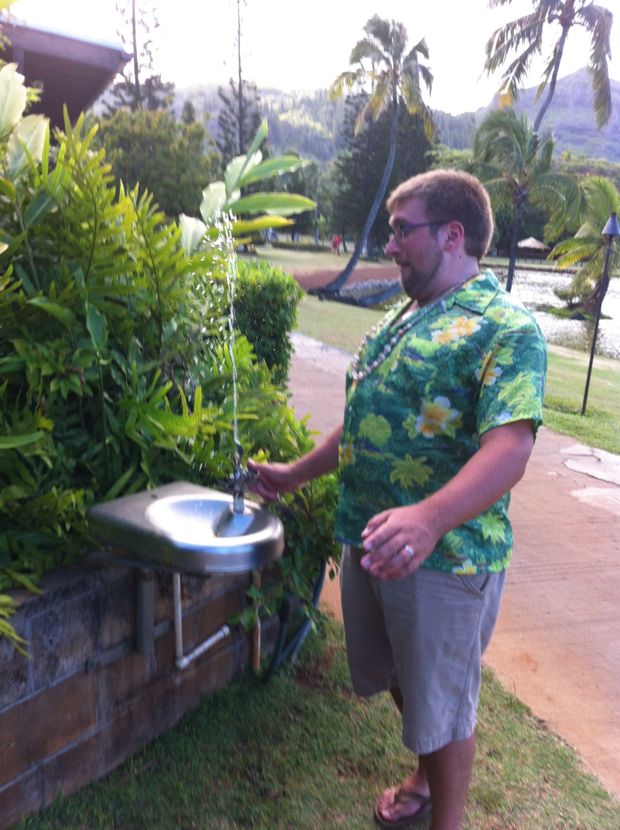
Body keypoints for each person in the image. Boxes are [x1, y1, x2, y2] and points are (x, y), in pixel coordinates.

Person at [248, 170, 547, 830]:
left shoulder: (506, 328)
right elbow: (364, 416)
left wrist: (430, 516)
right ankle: (423, 775)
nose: (390, 246)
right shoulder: (399, 317)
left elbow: (512, 448)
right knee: (405, 684)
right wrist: (296, 473)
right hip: (374, 540)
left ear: (452, 234)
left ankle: (447, 822)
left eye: (400, 231)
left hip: (446, 559)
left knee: (444, 700)